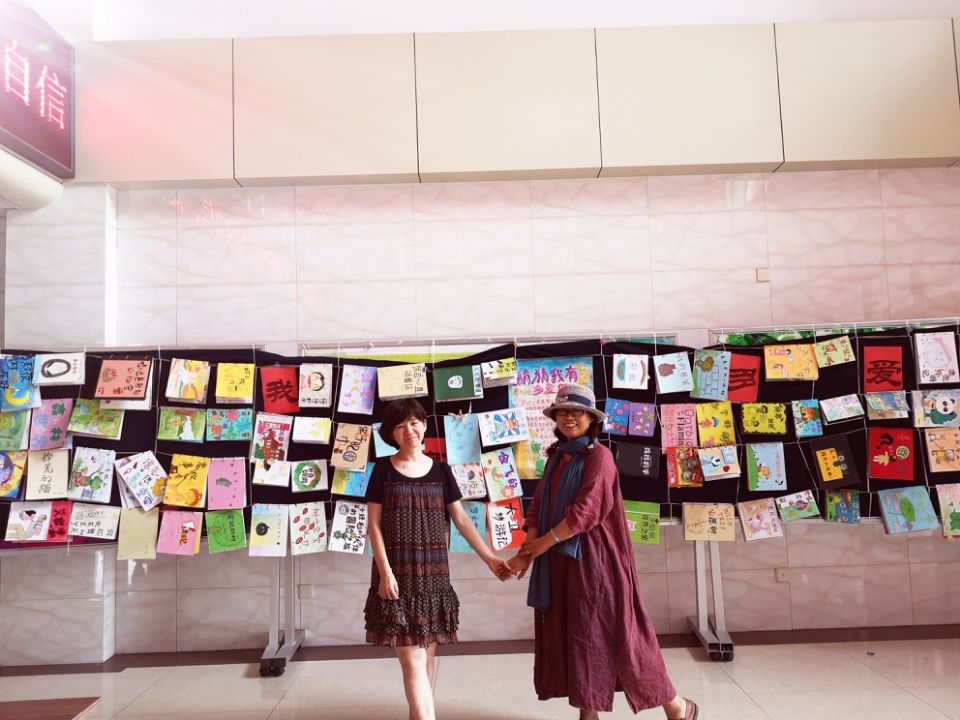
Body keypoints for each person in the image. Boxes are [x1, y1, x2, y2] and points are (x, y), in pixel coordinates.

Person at [505, 383, 699, 720]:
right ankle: (588, 714)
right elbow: (537, 508)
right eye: (562, 412)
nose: (569, 418)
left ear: (591, 419)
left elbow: (586, 512)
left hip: (597, 564)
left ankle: (676, 705)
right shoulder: (556, 457)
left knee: (620, 637)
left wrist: (541, 545)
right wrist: (527, 553)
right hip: (560, 563)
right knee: (579, 636)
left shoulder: (599, 457)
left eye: (577, 412)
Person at [364, 398, 511, 720]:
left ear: (425, 425)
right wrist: (385, 573)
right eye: (400, 426)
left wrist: (490, 558)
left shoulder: (441, 471)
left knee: (425, 658)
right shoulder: (383, 471)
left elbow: (462, 520)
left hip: (433, 578)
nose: (409, 430)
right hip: (396, 577)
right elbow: (373, 526)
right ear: (390, 434)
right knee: (414, 661)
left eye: (414, 422)